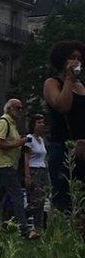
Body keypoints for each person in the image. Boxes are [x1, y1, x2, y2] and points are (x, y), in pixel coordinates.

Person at [0, 98, 39, 239]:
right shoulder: (4, 123)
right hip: (5, 165)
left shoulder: (13, 124)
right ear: (9, 109)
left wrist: (21, 146)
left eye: (21, 108)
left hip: (7, 165)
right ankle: (24, 230)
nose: (20, 111)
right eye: (18, 108)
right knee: (17, 196)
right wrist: (19, 143)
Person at [43, 39, 85, 212]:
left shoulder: (82, 86)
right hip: (62, 146)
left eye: (79, 58)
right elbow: (62, 106)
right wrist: (69, 79)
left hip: (82, 146)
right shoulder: (52, 83)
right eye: (72, 57)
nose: (76, 61)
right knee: (62, 196)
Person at [24, 112, 49, 233]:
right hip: (34, 170)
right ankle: (20, 218)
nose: (42, 125)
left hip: (42, 170)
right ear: (33, 124)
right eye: (39, 122)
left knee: (42, 200)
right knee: (35, 200)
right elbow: (26, 158)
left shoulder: (42, 140)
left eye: (43, 122)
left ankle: (38, 227)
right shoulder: (29, 139)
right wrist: (28, 175)